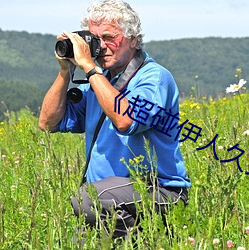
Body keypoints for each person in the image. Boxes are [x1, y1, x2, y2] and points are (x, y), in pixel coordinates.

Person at [39, 0, 191, 244]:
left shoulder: (153, 77)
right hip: (109, 199)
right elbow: (48, 123)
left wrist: (89, 67)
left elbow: (126, 120)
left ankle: (145, 241)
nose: (101, 47)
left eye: (109, 37)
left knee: (87, 200)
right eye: (95, 39)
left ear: (132, 39)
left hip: (158, 191)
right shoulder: (99, 82)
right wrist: (65, 70)